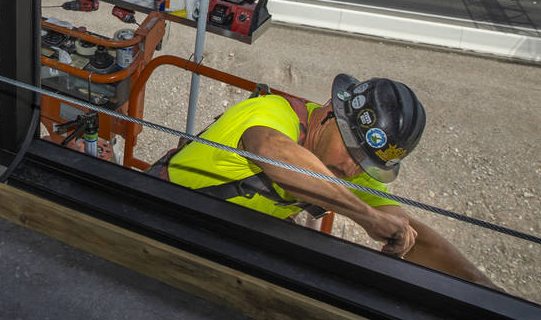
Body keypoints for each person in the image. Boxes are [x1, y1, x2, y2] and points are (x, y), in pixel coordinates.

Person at [161, 73, 497, 287]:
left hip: (220, 245)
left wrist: (486, 290)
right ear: (330, 114)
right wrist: (367, 216)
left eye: (368, 165)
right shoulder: (271, 113)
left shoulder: (349, 170)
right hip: (157, 215)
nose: (353, 170)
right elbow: (273, 152)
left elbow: (417, 237)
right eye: (352, 152)